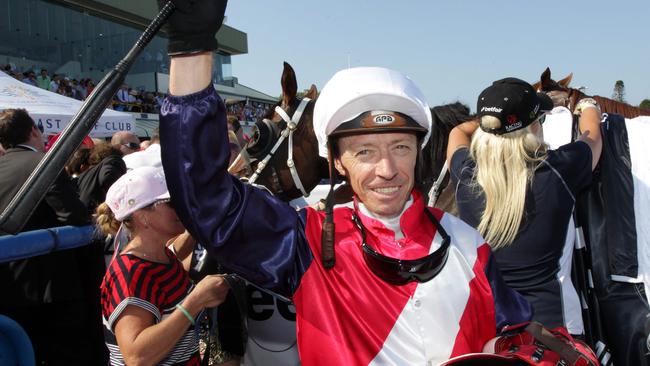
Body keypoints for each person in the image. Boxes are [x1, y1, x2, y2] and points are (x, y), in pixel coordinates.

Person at [157, 3, 537, 364]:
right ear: (337, 161)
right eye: (365, 152)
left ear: (418, 152)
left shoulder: (468, 242)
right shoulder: (304, 245)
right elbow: (206, 197)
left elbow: (512, 333)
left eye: (401, 147)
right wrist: (191, 49)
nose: (387, 169)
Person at [446, 78, 603, 335]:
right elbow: (592, 136)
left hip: (488, 332)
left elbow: (457, 133)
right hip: (555, 332)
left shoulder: (465, 173)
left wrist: (490, 120)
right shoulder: (559, 169)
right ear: (534, 125)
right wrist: (588, 106)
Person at [98, 166, 231, 365]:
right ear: (141, 216)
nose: (180, 206)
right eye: (170, 202)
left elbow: (175, 259)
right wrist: (195, 302)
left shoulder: (161, 256)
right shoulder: (131, 274)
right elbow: (136, 357)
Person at [0, 108, 94, 364]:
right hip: (51, 287)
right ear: (33, 131)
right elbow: (74, 216)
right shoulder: (43, 163)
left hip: (7, 286)